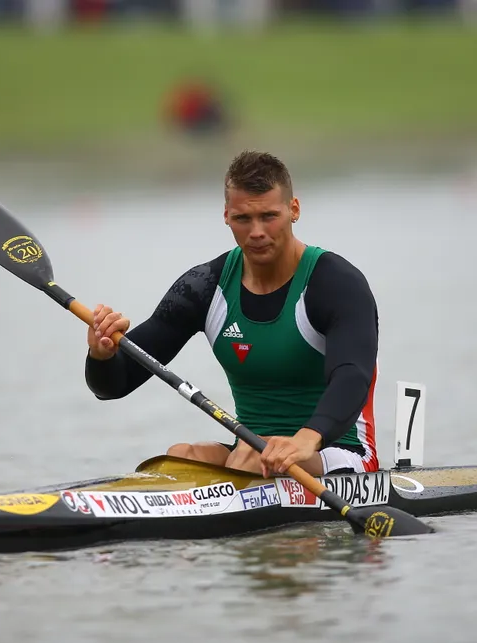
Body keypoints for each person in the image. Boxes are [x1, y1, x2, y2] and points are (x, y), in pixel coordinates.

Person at [84, 150, 381, 478]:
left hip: (338, 451)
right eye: (243, 219)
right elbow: (113, 386)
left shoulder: (336, 283)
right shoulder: (205, 287)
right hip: (253, 451)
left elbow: (353, 376)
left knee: (251, 458)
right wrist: (102, 356)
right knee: (180, 458)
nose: (256, 231)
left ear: (293, 210)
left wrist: (307, 439)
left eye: (269, 216)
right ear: (227, 216)